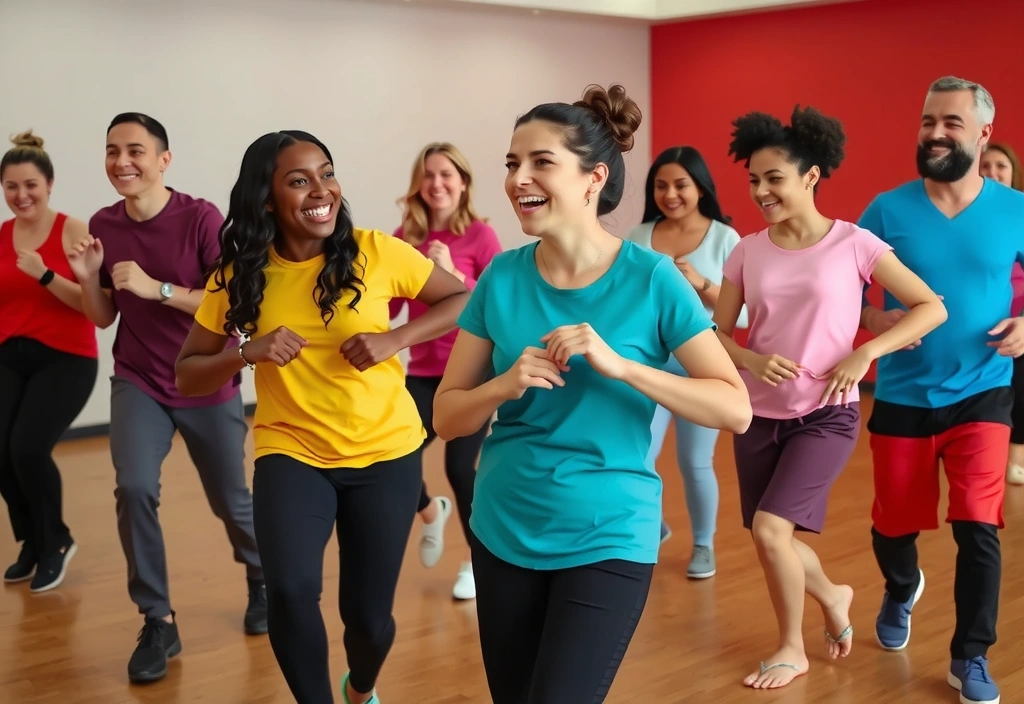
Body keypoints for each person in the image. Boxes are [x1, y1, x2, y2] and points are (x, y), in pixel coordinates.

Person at [433, 84, 753, 704]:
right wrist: (503, 384)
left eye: (539, 162)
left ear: (592, 178)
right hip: (503, 527)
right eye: (511, 163)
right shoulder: (502, 277)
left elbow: (734, 406)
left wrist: (623, 367)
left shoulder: (652, 277)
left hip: (608, 531)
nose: (517, 178)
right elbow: (446, 416)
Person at [174, 130, 468, 704]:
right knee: (288, 590)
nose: (321, 190)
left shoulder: (374, 250)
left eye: (326, 173)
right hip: (291, 452)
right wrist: (245, 352)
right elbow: (188, 372)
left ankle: (361, 687)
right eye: (299, 180)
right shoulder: (239, 274)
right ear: (266, 200)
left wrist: (395, 340)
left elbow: (460, 300)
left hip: (386, 452)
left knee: (367, 622)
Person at [713, 104, 947, 691]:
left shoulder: (855, 244)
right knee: (777, 539)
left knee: (771, 532)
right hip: (755, 414)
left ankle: (791, 648)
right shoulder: (746, 250)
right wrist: (750, 359)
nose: (761, 191)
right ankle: (832, 593)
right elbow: (714, 335)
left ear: (811, 176)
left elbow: (931, 307)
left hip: (826, 415)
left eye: (774, 179)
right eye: (753, 181)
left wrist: (867, 351)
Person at [63, 113, 265, 684]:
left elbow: (229, 311)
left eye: (135, 151)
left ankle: (260, 578)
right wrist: (86, 277)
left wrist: (160, 289)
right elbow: (105, 317)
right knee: (132, 487)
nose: (121, 162)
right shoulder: (105, 223)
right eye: (111, 151)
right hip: (139, 377)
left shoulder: (200, 218)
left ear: (163, 160)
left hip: (203, 376)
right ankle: (158, 618)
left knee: (232, 500)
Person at [859, 76, 1024, 704]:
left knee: (977, 525)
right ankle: (902, 587)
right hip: (903, 394)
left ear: (982, 134)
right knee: (893, 527)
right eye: (929, 121)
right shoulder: (887, 210)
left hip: (985, 391)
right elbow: (858, 302)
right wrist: (881, 323)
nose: (935, 133)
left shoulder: (1015, 208)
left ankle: (971, 656)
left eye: (951, 123)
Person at [625, 145, 747, 579]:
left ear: (700, 188)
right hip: (652, 367)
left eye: (681, 184)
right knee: (639, 454)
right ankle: (651, 528)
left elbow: (744, 313)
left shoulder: (725, 238)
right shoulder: (637, 237)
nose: (670, 194)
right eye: (661, 185)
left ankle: (702, 545)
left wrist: (702, 284)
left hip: (704, 372)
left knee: (695, 462)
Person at [390, 142, 503, 600]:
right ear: (419, 184)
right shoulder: (403, 236)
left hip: (471, 371)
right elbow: (391, 304)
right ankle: (431, 514)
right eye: (429, 175)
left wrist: (451, 272)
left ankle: (476, 560)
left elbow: (496, 304)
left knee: (460, 468)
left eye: (446, 175)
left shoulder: (481, 236)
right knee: (395, 456)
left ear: (462, 183)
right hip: (421, 373)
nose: (437, 183)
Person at [0, 131, 97, 593]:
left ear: (49, 184)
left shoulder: (73, 231)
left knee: (27, 449)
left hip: (66, 357)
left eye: (30, 185)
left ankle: (55, 541)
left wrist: (44, 274)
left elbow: (91, 305)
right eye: (11, 187)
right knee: (1, 451)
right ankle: (32, 542)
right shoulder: (2, 235)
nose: (21, 196)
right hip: (9, 354)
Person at [980, 143, 1024, 486]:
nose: (993, 172)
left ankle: (1016, 459)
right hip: (980, 325)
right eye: (986, 165)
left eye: (1001, 166)